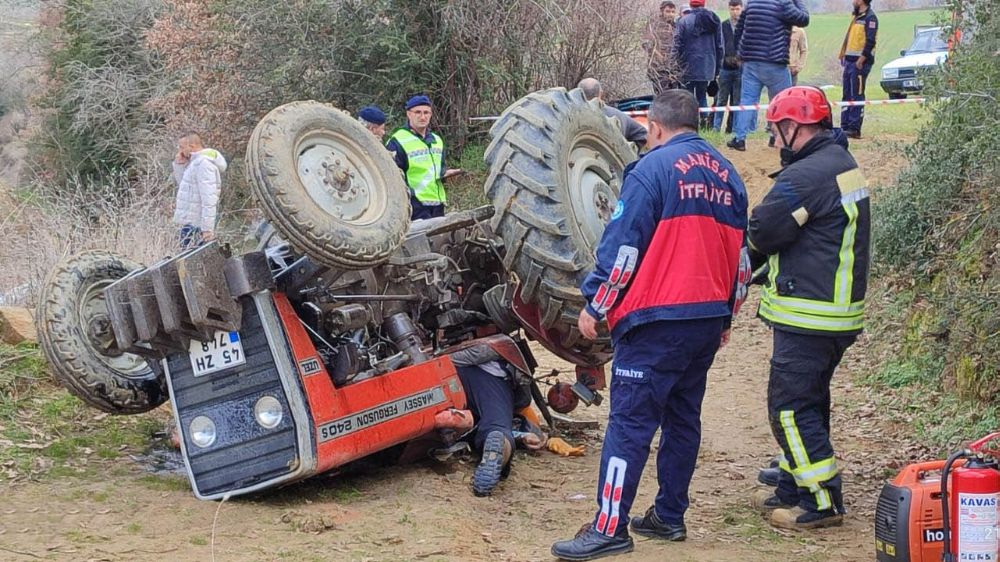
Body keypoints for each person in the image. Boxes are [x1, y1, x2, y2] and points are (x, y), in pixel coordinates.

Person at [550, 90, 751, 561]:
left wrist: (596, 306)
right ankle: (669, 514)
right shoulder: (730, 175)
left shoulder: (651, 170)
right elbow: (741, 261)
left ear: (655, 128)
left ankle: (609, 527)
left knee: (629, 424)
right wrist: (727, 317)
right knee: (683, 417)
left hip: (655, 321)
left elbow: (623, 250)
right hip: (705, 320)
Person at [746, 86, 870, 530]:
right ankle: (791, 482)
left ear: (794, 126)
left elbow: (762, 230)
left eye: (776, 131)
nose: (774, 142)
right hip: (835, 313)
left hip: (810, 314)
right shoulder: (840, 163)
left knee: (790, 407)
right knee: (810, 401)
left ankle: (820, 502)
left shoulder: (805, 177)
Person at [725, 0, 810, 152]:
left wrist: (740, 53)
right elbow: (804, 19)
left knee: (747, 101)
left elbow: (739, 29)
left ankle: (739, 139)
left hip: (750, 62)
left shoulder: (752, 3)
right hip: (775, 62)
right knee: (781, 101)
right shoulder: (783, 3)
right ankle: (778, 137)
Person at [386, 95, 462, 220]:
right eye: (418, 112)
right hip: (414, 206)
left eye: (426, 112)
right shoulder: (397, 141)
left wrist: (445, 174)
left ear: (431, 114)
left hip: (438, 204)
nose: (422, 117)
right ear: (409, 114)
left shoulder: (437, 140)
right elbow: (393, 178)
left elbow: (437, 169)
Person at [172, 132, 227, 250]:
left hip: (197, 225)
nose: (180, 151)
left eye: (182, 147)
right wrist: (179, 165)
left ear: (191, 146)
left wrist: (207, 229)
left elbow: (209, 198)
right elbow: (184, 187)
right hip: (190, 222)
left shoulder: (204, 164)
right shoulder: (194, 163)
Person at [672, 0, 723, 119]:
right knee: (701, 96)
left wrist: (673, 65)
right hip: (707, 66)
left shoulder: (683, 21)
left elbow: (676, 45)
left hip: (686, 66)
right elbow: (720, 47)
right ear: (703, 4)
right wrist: (717, 69)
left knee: (687, 97)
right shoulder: (714, 20)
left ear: (690, 4)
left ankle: (689, 122)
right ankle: (704, 120)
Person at [838, 0, 878, 139]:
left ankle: (854, 128)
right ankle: (845, 126)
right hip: (849, 62)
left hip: (859, 64)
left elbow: (871, 41)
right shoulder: (856, 17)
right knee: (847, 94)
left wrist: (861, 59)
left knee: (857, 94)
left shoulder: (870, 18)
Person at [578, 78, 648, 148]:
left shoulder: (574, 117)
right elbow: (642, 134)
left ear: (578, 95)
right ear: (601, 94)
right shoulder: (617, 115)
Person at [713, 0, 744, 133]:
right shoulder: (723, 25)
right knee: (721, 100)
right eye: (732, 9)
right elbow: (719, 45)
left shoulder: (745, 26)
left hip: (740, 69)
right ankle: (716, 128)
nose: (734, 12)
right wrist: (723, 60)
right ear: (728, 9)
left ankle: (736, 129)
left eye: (737, 9)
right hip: (725, 68)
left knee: (737, 102)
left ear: (741, 9)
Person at [641, 1, 679, 94]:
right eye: (668, 11)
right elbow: (645, 43)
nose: (670, 14)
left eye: (673, 12)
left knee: (674, 96)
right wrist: (657, 53)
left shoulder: (676, 27)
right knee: (663, 95)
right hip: (658, 69)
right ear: (662, 11)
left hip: (674, 69)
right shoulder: (654, 25)